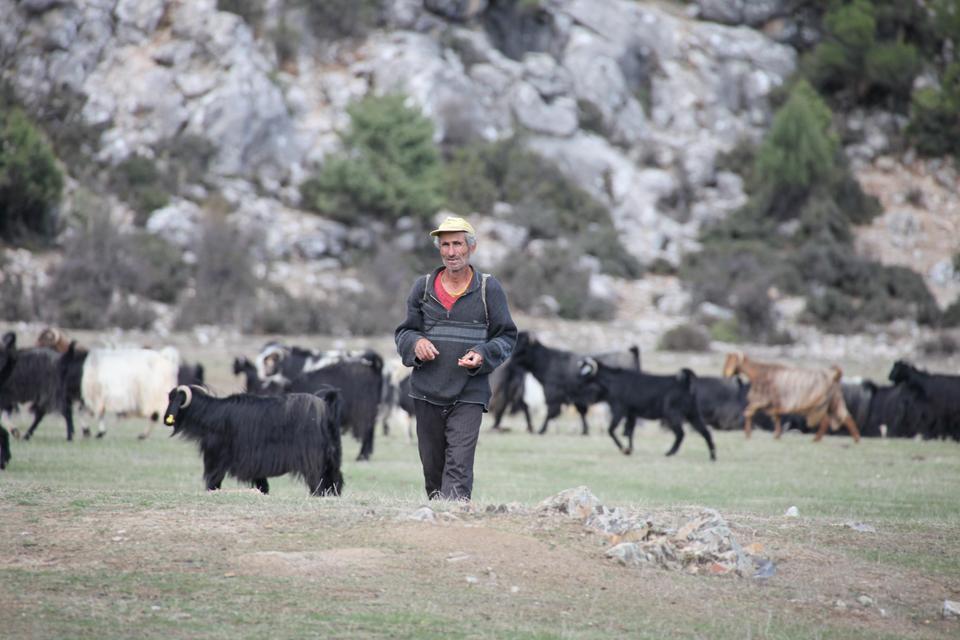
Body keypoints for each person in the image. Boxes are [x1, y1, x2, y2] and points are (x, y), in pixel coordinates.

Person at [395, 215, 517, 501]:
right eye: (446, 245)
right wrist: (417, 343)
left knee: (458, 469)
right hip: (426, 393)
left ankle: (455, 520)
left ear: (471, 248)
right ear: (440, 249)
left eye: (458, 244)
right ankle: (438, 530)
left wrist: (482, 353)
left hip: (469, 394)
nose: (452, 252)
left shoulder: (489, 289)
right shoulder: (422, 288)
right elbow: (404, 333)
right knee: (433, 470)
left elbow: (506, 337)